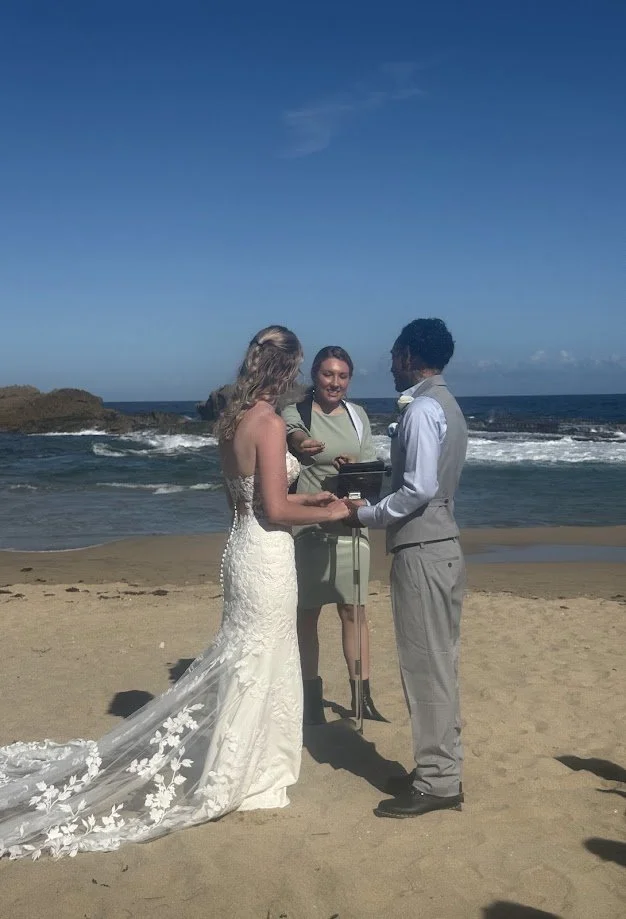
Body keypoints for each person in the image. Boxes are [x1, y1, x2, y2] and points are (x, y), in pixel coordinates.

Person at [0, 326, 349, 860]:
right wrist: (334, 509)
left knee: (248, 659)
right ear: (285, 371)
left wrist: (315, 499)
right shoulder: (271, 424)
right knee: (265, 659)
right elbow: (277, 511)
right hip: (266, 556)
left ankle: (244, 760)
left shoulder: (232, 421)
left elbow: (250, 500)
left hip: (238, 550)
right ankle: (246, 771)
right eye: (297, 371)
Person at [345, 318, 468, 818]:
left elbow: (418, 489)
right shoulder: (449, 405)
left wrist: (365, 515)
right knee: (438, 663)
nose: (389, 362)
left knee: (426, 666)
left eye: (394, 353)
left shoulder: (421, 408)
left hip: (423, 552)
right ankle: (436, 769)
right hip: (443, 546)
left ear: (410, 354)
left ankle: (439, 781)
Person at [281, 346, 387, 725]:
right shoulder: (297, 411)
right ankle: (311, 698)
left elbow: (373, 465)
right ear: (315, 375)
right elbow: (293, 438)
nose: (335, 382)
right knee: (307, 614)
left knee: (354, 611)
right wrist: (302, 445)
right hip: (308, 527)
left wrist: (356, 467)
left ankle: (363, 697)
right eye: (328, 374)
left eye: (342, 376)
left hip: (350, 524)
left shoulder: (358, 416)